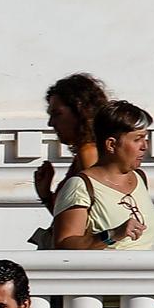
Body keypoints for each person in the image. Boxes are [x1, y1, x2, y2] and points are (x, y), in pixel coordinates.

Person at [52, 100, 154, 252]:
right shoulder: (80, 186)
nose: (144, 146)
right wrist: (112, 235)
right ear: (111, 145)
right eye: (137, 139)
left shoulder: (140, 178)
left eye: (145, 138)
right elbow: (64, 244)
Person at [33, 74, 109, 221]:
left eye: (57, 114)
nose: (51, 123)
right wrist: (46, 195)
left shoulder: (89, 154)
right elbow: (70, 221)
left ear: (81, 111)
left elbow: (96, 220)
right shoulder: (87, 153)